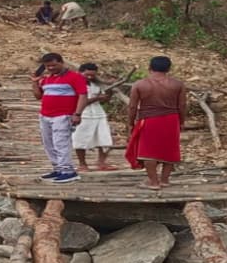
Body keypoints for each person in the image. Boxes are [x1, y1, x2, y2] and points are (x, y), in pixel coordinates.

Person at [124, 56, 188, 190]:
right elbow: (182, 105)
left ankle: (153, 182)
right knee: (170, 148)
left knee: (148, 151)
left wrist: (130, 123)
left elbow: (132, 107)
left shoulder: (140, 84)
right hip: (171, 119)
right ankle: (164, 180)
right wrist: (181, 121)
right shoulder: (177, 84)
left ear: (150, 68)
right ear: (169, 68)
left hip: (148, 120)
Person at [31, 52, 88, 183]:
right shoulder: (46, 79)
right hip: (45, 115)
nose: (51, 68)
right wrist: (35, 83)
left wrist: (77, 113)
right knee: (48, 143)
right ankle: (58, 168)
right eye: (47, 66)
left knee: (61, 142)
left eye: (53, 65)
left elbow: (83, 95)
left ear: (61, 62)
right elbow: (38, 96)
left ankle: (68, 171)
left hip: (63, 115)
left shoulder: (75, 77)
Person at [72, 63, 118, 172]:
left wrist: (109, 90)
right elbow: (78, 101)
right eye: (87, 75)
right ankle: (82, 164)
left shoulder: (96, 84)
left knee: (105, 138)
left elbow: (105, 100)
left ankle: (101, 162)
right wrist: (96, 98)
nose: (90, 77)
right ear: (80, 72)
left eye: (92, 75)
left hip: (98, 114)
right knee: (80, 139)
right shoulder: (74, 84)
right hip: (83, 114)